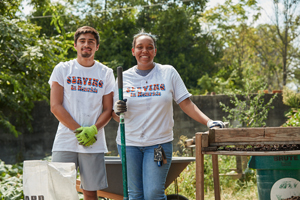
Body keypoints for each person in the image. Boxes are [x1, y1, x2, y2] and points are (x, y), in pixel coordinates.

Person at [112, 29, 225, 200]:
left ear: (155, 51)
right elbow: (115, 116)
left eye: (149, 47)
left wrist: (209, 122)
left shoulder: (167, 72)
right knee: (135, 195)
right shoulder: (123, 77)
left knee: (153, 194)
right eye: (140, 47)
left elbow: (186, 103)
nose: (145, 51)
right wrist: (117, 111)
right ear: (133, 51)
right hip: (129, 144)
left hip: (158, 145)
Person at [48, 26, 114, 200]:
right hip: (65, 141)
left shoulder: (106, 73)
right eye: (82, 41)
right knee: (60, 191)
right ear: (75, 45)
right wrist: (79, 130)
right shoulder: (62, 69)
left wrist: (92, 130)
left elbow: (108, 108)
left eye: (91, 42)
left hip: (94, 140)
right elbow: (55, 106)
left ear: (97, 46)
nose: (87, 45)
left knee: (90, 192)